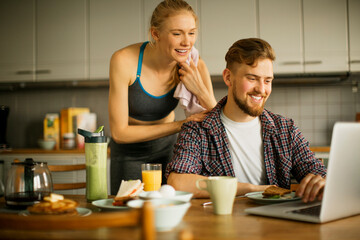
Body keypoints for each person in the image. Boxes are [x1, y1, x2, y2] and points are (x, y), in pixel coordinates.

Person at [166, 38, 326, 203]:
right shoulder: (198, 129)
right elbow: (178, 183)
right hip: (221, 224)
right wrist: (253, 189)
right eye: (252, 78)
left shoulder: (285, 129)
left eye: (267, 80)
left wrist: (322, 181)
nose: (262, 89)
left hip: (276, 224)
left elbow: (316, 172)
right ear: (228, 78)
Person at [108, 0, 217, 194]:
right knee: (129, 210)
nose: (187, 42)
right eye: (177, 33)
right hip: (129, 153)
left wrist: (199, 89)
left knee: (170, 207)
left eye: (191, 33)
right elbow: (119, 133)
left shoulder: (195, 65)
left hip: (169, 148)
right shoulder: (124, 60)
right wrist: (181, 125)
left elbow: (216, 119)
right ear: (156, 34)